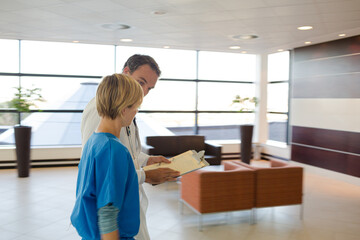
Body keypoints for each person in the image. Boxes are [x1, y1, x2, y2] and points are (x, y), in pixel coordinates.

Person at [81, 54, 180, 240]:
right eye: (141, 82)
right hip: (114, 218)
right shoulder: (100, 113)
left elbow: (129, 152)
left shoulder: (120, 117)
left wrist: (147, 160)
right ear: (126, 72)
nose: (144, 92)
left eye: (149, 88)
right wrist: (146, 175)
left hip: (125, 207)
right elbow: (100, 175)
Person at [71, 74, 144, 240]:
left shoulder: (93, 142)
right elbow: (107, 212)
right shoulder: (114, 150)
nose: (136, 112)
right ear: (124, 109)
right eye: (136, 107)